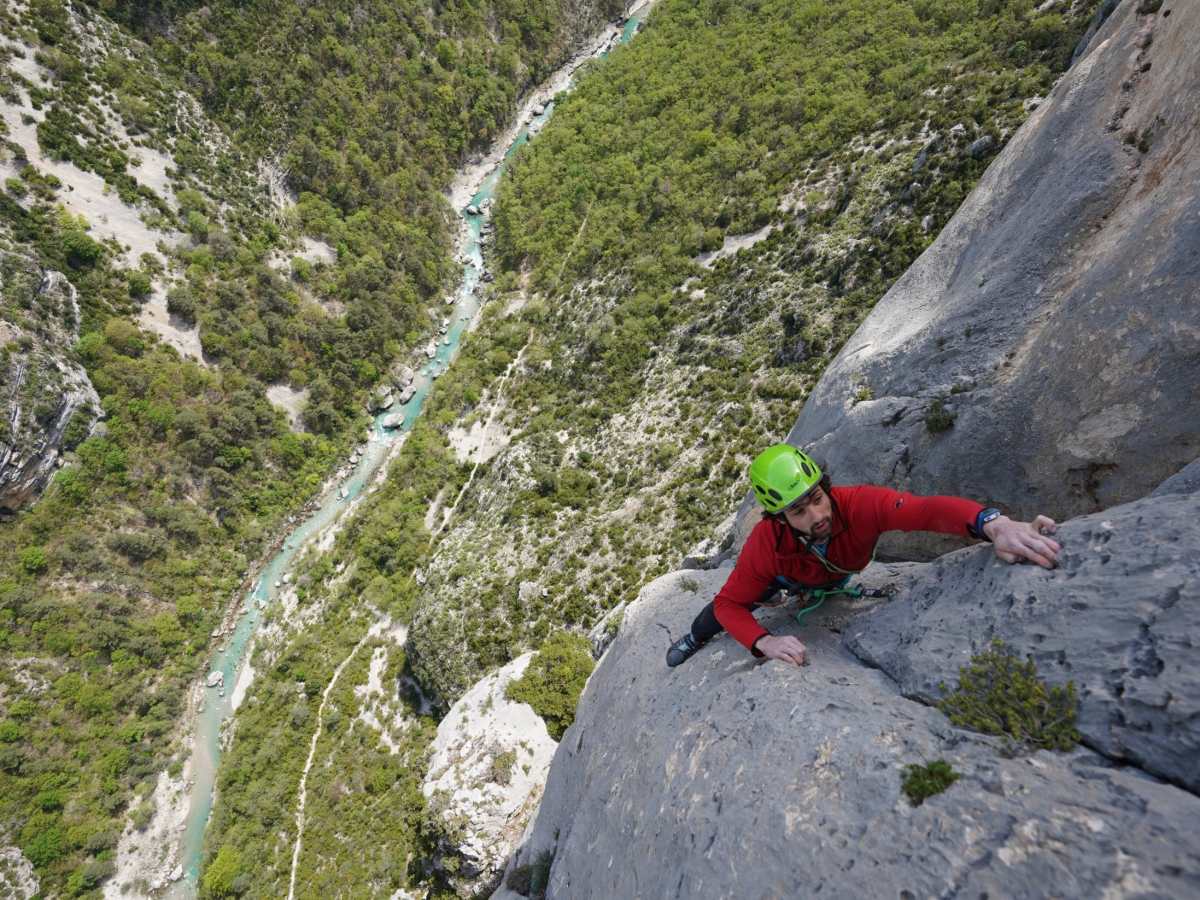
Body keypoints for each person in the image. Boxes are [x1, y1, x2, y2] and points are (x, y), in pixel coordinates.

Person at [666, 444, 1061, 668]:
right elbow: (729, 605)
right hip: (787, 574)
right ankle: (690, 639)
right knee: (731, 604)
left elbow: (925, 510)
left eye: (817, 499)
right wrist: (762, 641)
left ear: (826, 487)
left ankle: (787, 594)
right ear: (779, 518)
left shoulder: (859, 504)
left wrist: (993, 523)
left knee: (814, 583)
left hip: (830, 574)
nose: (817, 516)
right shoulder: (765, 543)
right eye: (798, 511)